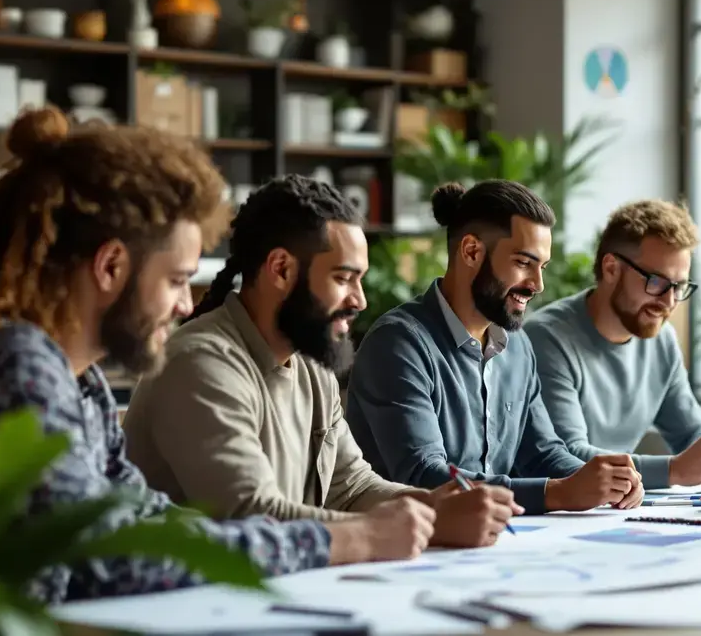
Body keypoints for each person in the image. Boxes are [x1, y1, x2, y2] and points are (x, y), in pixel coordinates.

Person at [0, 108, 436, 603]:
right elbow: (98, 557)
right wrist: (349, 538)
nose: (186, 304)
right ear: (112, 265)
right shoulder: (15, 364)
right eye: (177, 280)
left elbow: (144, 520)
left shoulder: (83, 384)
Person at [122, 176, 519, 549]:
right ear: (281, 269)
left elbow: (352, 487)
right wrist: (425, 524)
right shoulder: (201, 364)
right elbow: (248, 516)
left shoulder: (312, 362)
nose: (360, 300)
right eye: (344, 278)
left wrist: (435, 505)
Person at [345, 180, 644, 514]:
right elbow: (424, 476)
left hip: (490, 543)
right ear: (471, 251)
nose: (538, 285)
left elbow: (541, 453)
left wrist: (603, 479)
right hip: (404, 546)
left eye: (541, 267)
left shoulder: (517, 346)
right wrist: (557, 493)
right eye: (523, 263)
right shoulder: (398, 343)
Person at [524, 200, 701, 489]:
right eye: (657, 282)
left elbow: (693, 433)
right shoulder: (547, 338)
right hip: (556, 514)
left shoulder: (661, 340)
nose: (669, 302)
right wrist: (673, 470)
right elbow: (565, 455)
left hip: (621, 507)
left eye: (679, 287)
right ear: (611, 269)